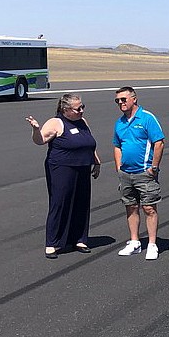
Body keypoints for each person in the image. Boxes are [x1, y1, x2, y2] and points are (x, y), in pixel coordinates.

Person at [26, 93, 101, 259]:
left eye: (83, 107)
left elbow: (89, 143)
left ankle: (79, 239)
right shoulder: (56, 122)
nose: (82, 110)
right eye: (78, 108)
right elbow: (40, 140)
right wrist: (35, 129)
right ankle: (52, 243)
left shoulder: (82, 122)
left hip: (82, 168)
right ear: (66, 109)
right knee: (60, 202)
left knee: (81, 203)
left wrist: (96, 162)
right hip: (62, 168)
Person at [112, 87, 165, 260]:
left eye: (123, 99)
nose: (120, 103)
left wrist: (154, 168)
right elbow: (117, 145)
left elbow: (159, 143)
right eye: (117, 100)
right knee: (131, 207)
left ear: (134, 99)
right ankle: (134, 242)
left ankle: (151, 244)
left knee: (149, 208)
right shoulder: (119, 123)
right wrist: (119, 167)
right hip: (126, 174)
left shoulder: (147, 118)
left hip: (145, 173)